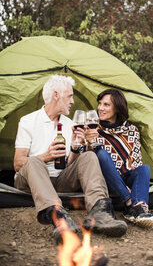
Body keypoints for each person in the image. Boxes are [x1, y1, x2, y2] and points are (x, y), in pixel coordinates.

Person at [13, 75, 127, 243]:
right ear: (56, 95)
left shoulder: (69, 124)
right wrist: (46, 156)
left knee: (88, 155)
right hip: (31, 180)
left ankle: (101, 213)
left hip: (60, 179)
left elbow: (68, 165)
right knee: (33, 161)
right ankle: (59, 217)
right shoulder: (28, 121)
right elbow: (17, 163)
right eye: (70, 96)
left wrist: (75, 147)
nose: (73, 101)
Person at [85, 88, 153, 228]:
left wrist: (125, 182)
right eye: (100, 103)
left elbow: (135, 161)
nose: (100, 108)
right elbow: (85, 160)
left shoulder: (131, 131)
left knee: (144, 169)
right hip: (105, 181)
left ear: (117, 108)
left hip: (125, 178)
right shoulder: (92, 129)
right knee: (101, 154)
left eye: (106, 105)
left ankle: (139, 208)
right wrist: (88, 143)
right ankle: (130, 202)